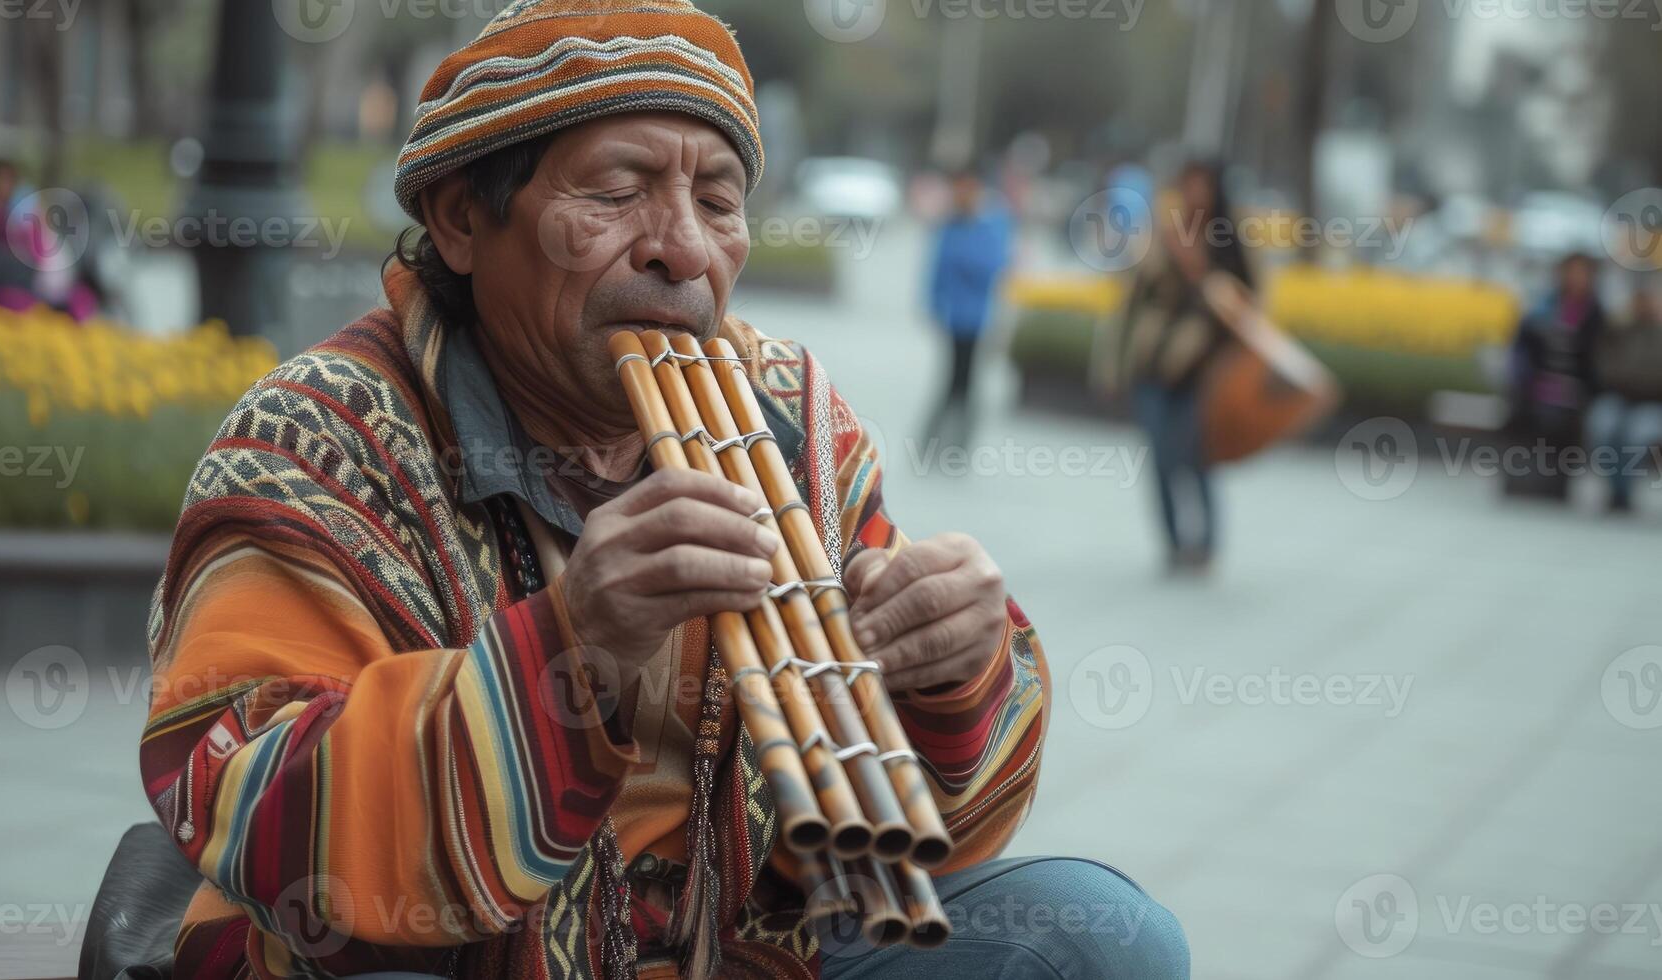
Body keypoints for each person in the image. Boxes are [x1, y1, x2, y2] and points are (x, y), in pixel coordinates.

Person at [134, 3, 1187, 979]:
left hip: (744, 945)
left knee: (1106, 936)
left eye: (717, 200)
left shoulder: (793, 414)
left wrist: (953, 670)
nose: (682, 247)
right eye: (615, 191)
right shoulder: (314, 437)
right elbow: (248, 804)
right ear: (462, 219)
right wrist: (570, 648)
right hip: (443, 953)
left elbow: (908, 839)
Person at [1092, 160, 1253, 574]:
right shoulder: (1160, 234)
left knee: (1197, 457)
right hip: (1155, 366)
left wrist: (1197, 268)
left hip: (1204, 371)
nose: (1195, 195)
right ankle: (1174, 543)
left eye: (1203, 186)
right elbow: (1130, 304)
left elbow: (1246, 306)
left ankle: (1207, 544)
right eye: (1188, 185)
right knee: (1160, 457)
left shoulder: (1228, 240)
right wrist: (1112, 366)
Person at [1504, 252, 1608, 500]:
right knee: (1526, 410)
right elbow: (1522, 349)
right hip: (1537, 386)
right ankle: (1520, 478)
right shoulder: (1542, 308)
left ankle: (1555, 484)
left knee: (1562, 416)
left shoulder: (1598, 316)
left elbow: (1600, 364)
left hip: (1578, 390)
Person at [922, 170, 1013, 449]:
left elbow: (994, 267)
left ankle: (960, 441)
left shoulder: (990, 226)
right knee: (951, 378)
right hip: (953, 317)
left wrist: (965, 263)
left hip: (978, 319)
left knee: (967, 381)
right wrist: (934, 304)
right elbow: (937, 269)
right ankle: (934, 439)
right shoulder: (950, 227)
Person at [0, 158, 97, 319]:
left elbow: (44, 262)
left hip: (24, 299)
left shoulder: (28, 216)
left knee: (78, 298)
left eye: (7, 180)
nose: (2, 186)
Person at [1585, 286, 1662, 513]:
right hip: (1617, 399)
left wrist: (1639, 383)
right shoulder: (1617, 332)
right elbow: (1603, 368)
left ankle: (1623, 492)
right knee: (1603, 426)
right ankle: (1615, 489)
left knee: (1636, 435)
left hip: (1652, 403)